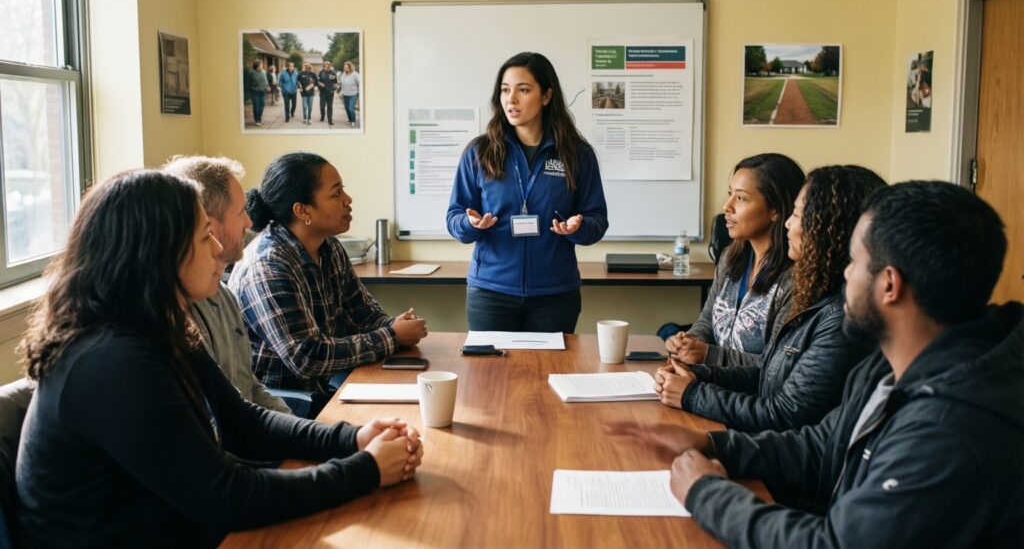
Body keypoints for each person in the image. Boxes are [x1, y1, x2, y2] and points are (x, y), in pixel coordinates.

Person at [15, 170, 424, 547]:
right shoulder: (112, 363)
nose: (217, 249)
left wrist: (351, 439)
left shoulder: (155, 327)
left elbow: (243, 420)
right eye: (201, 238)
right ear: (159, 255)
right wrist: (365, 470)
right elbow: (228, 497)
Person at [606, 181, 1023, 548]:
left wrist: (705, 491)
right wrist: (712, 445)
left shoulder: (949, 430)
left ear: (889, 285)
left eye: (855, 262)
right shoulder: (888, 366)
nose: (845, 274)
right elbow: (820, 446)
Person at [655, 166, 885, 431]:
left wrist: (695, 391)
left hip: (758, 434)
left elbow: (785, 413)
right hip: (747, 425)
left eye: (797, 214)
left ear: (829, 228)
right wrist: (697, 373)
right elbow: (768, 372)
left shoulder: (831, 312)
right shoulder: (737, 259)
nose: (789, 222)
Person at [229, 152, 428, 414]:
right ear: (302, 211)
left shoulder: (329, 247)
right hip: (283, 406)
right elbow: (307, 357)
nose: (348, 200)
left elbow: (362, 313)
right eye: (336, 194)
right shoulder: (268, 265)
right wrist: (391, 337)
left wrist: (395, 325)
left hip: (326, 387)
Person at [446, 52, 608, 333]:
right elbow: (454, 216)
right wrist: (469, 223)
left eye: (523, 90)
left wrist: (577, 228)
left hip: (555, 295)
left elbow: (597, 220)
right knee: (490, 376)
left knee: (548, 376)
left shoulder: (577, 154)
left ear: (546, 96)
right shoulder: (480, 152)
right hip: (491, 292)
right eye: (505, 90)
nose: (511, 100)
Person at [163, 155, 291, 414]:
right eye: (241, 212)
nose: (249, 223)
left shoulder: (224, 294)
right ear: (208, 224)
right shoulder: (174, 314)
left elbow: (249, 389)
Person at [665, 154, 805, 367]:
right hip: (712, 385)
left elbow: (777, 366)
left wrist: (708, 355)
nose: (726, 207)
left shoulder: (795, 278)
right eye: (730, 194)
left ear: (775, 210)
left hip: (750, 396)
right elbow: (707, 321)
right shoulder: (730, 259)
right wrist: (687, 342)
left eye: (741, 198)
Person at [245, 59, 268, 126]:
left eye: (262, 65)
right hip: (255, 92)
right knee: (256, 106)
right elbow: (248, 83)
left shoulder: (264, 72)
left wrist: (267, 86)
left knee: (262, 105)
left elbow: (265, 80)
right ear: (256, 66)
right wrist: (251, 90)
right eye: (260, 65)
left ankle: (259, 118)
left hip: (262, 91)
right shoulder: (251, 72)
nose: (262, 66)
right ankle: (257, 120)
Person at [340, 60, 360, 127]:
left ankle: (353, 121)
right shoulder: (344, 74)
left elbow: (359, 83)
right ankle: (350, 120)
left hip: (353, 94)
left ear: (350, 67)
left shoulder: (355, 74)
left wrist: (359, 92)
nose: (346, 68)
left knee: (351, 108)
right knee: (346, 108)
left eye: (347, 67)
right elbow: (342, 83)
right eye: (345, 67)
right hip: (345, 94)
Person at [317, 61, 338, 126]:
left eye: (328, 64)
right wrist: (320, 84)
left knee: (330, 107)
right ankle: (322, 116)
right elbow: (317, 81)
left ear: (330, 65)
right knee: (322, 106)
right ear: (324, 65)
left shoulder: (333, 73)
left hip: (330, 93)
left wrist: (334, 88)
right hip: (323, 92)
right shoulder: (321, 72)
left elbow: (335, 82)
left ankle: (330, 120)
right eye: (326, 64)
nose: (327, 65)